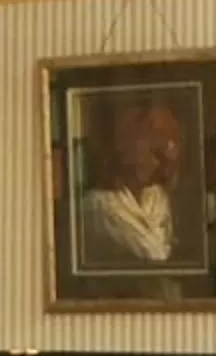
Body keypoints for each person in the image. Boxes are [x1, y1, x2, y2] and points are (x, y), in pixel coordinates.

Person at [76, 98, 186, 270]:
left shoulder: (156, 196)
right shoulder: (98, 205)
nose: (162, 152)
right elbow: (154, 255)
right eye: (151, 139)